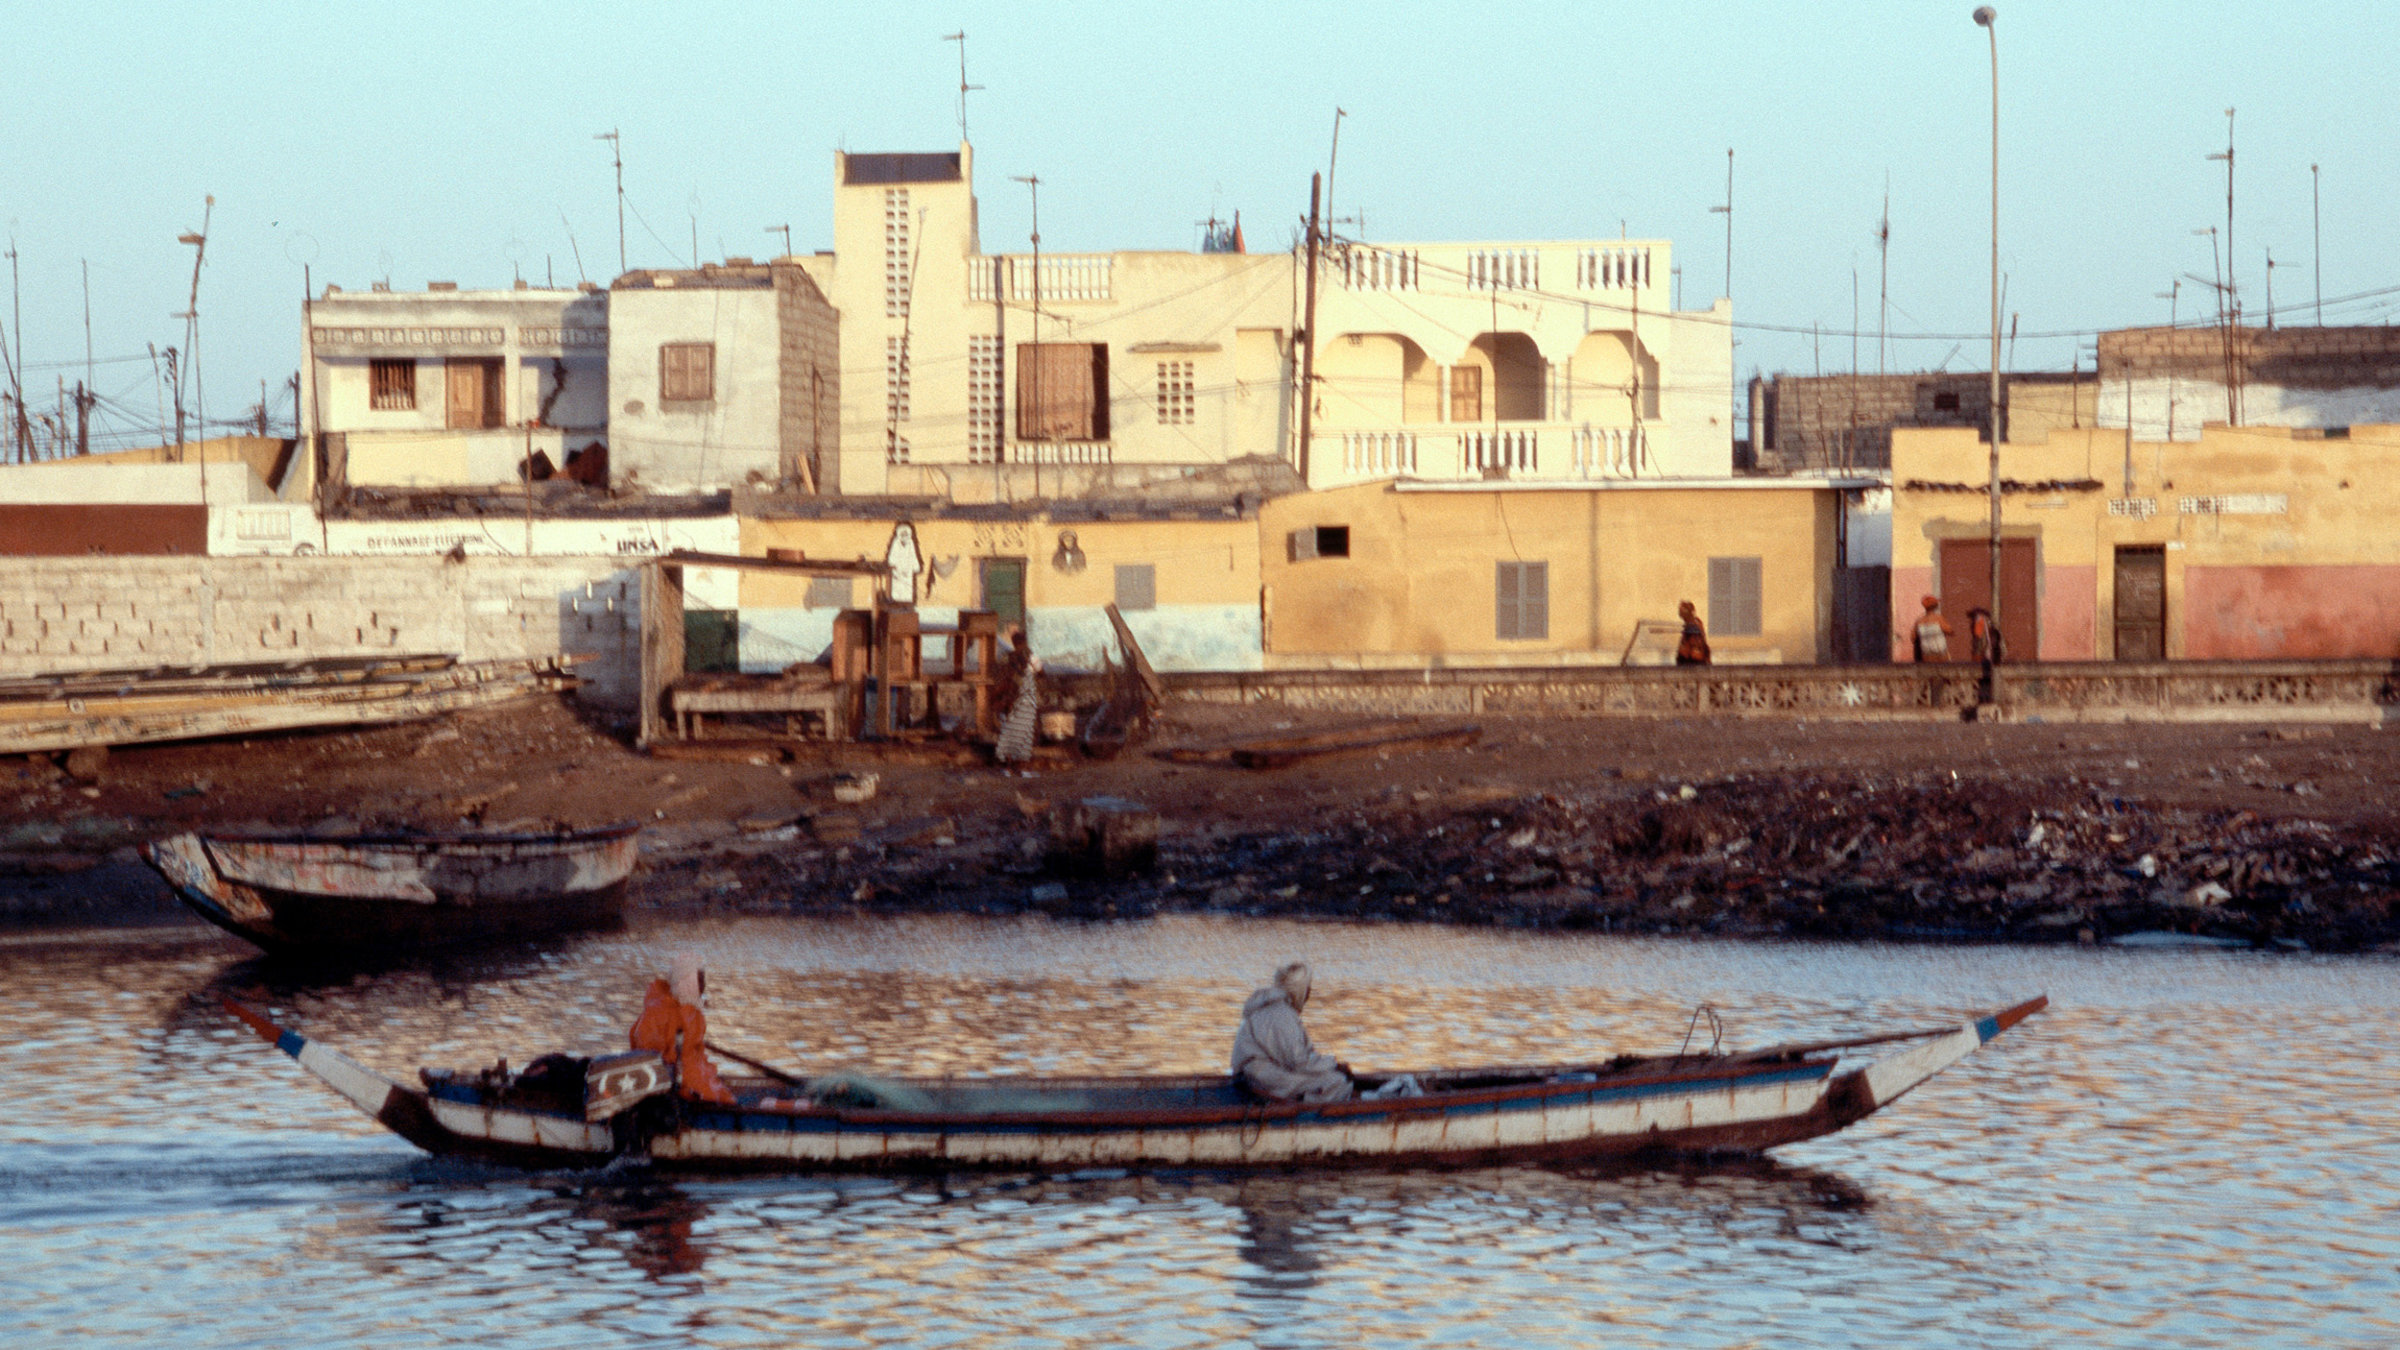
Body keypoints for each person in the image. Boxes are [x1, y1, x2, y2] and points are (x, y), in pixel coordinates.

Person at [1230, 962, 1353, 1103]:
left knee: (1329, 1077)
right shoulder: (1281, 1014)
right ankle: (1305, 1108)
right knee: (1337, 1082)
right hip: (1261, 1079)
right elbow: (1298, 1062)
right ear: (1300, 989)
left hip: (1253, 1075)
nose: (1309, 992)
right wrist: (1334, 1065)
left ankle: (1304, 1098)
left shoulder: (1270, 1009)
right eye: (1307, 987)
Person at [628, 951, 735, 1105]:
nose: (696, 987)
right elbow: (647, 1055)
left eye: (697, 982)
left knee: (722, 1093)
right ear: (679, 983)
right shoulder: (658, 1013)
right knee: (719, 1097)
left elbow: (696, 1051)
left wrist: (707, 1071)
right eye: (690, 981)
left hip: (690, 1073)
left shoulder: (692, 1012)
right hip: (675, 1082)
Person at [1912, 595, 1954, 663]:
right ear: (1935, 606)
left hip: (1926, 654)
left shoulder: (1919, 621)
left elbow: (1913, 638)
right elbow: (1950, 631)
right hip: (1940, 653)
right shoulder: (1938, 619)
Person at [1674, 600, 1712, 666]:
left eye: (1682, 611)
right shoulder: (1692, 624)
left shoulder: (1693, 626)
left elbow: (1695, 649)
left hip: (1694, 662)